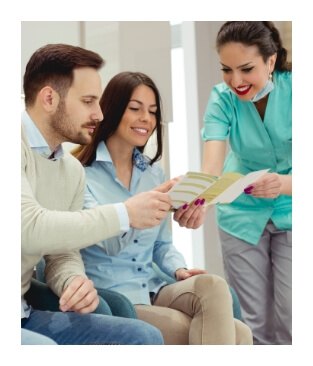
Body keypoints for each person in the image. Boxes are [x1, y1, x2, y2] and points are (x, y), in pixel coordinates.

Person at [56, 71, 253, 345]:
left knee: (214, 286)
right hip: (115, 296)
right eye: (135, 109)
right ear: (112, 111)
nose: (146, 119)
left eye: (152, 111)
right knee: (238, 334)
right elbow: (109, 243)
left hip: (154, 286)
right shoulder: (81, 175)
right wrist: (138, 209)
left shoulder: (153, 174)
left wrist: (179, 270)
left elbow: (161, 245)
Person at [21, 43, 173, 345]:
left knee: (144, 337)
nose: (100, 113)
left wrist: (72, 281)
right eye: (89, 101)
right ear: (49, 98)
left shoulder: (70, 170)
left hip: (24, 310)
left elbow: (62, 251)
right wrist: (126, 214)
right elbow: (28, 228)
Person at [201, 22, 292, 345]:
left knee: (294, 318)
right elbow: (212, 165)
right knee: (252, 325)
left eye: (246, 69)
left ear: (271, 60)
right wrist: (199, 201)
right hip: (240, 213)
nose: (235, 81)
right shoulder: (222, 99)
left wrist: (283, 184)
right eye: (227, 69)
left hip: (294, 209)